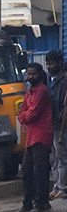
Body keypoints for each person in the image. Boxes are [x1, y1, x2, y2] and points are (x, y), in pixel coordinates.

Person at [13, 62, 53, 212]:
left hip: (41, 136)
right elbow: (23, 111)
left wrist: (23, 117)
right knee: (27, 171)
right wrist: (23, 116)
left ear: (40, 74)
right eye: (28, 74)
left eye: (33, 74)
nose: (30, 77)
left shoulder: (42, 91)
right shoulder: (31, 91)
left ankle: (40, 204)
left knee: (40, 172)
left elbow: (31, 114)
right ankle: (28, 204)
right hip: (31, 137)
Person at [45, 51, 67, 199]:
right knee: (53, 158)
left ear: (59, 63)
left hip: (61, 126)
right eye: (47, 64)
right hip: (51, 124)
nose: (49, 67)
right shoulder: (50, 81)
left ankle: (62, 187)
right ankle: (56, 185)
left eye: (52, 63)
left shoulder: (63, 82)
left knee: (61, 157)